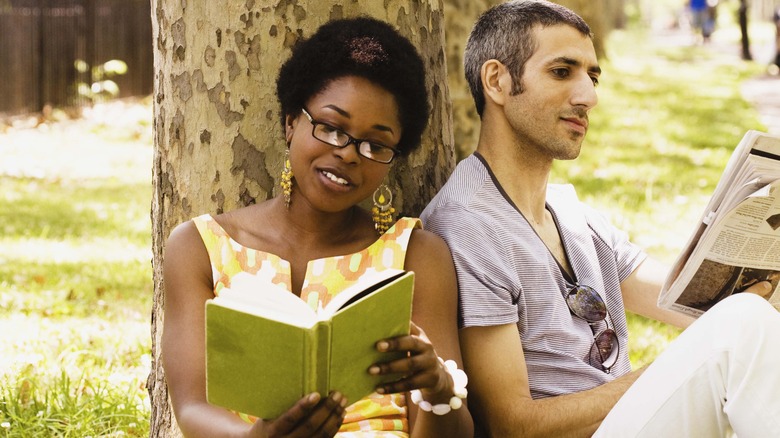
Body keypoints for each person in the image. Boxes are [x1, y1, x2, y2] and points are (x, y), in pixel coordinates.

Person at [420, 1, 780, 436]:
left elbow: (683, 301)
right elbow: (513, 424)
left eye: (592, 77)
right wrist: (671, 373)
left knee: (748, 317)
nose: (588, 97)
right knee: (740, 324)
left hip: (629, 420)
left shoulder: (570, 211)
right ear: (496, 80)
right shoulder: (466, 225)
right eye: (561, 71)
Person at [162, 17, 473, 438]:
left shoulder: (416, 255)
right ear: (291, 121)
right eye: (330, 128)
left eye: (375, 144)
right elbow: (192, 407)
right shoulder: (200, 247)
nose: (348, 154)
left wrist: (437, 386)